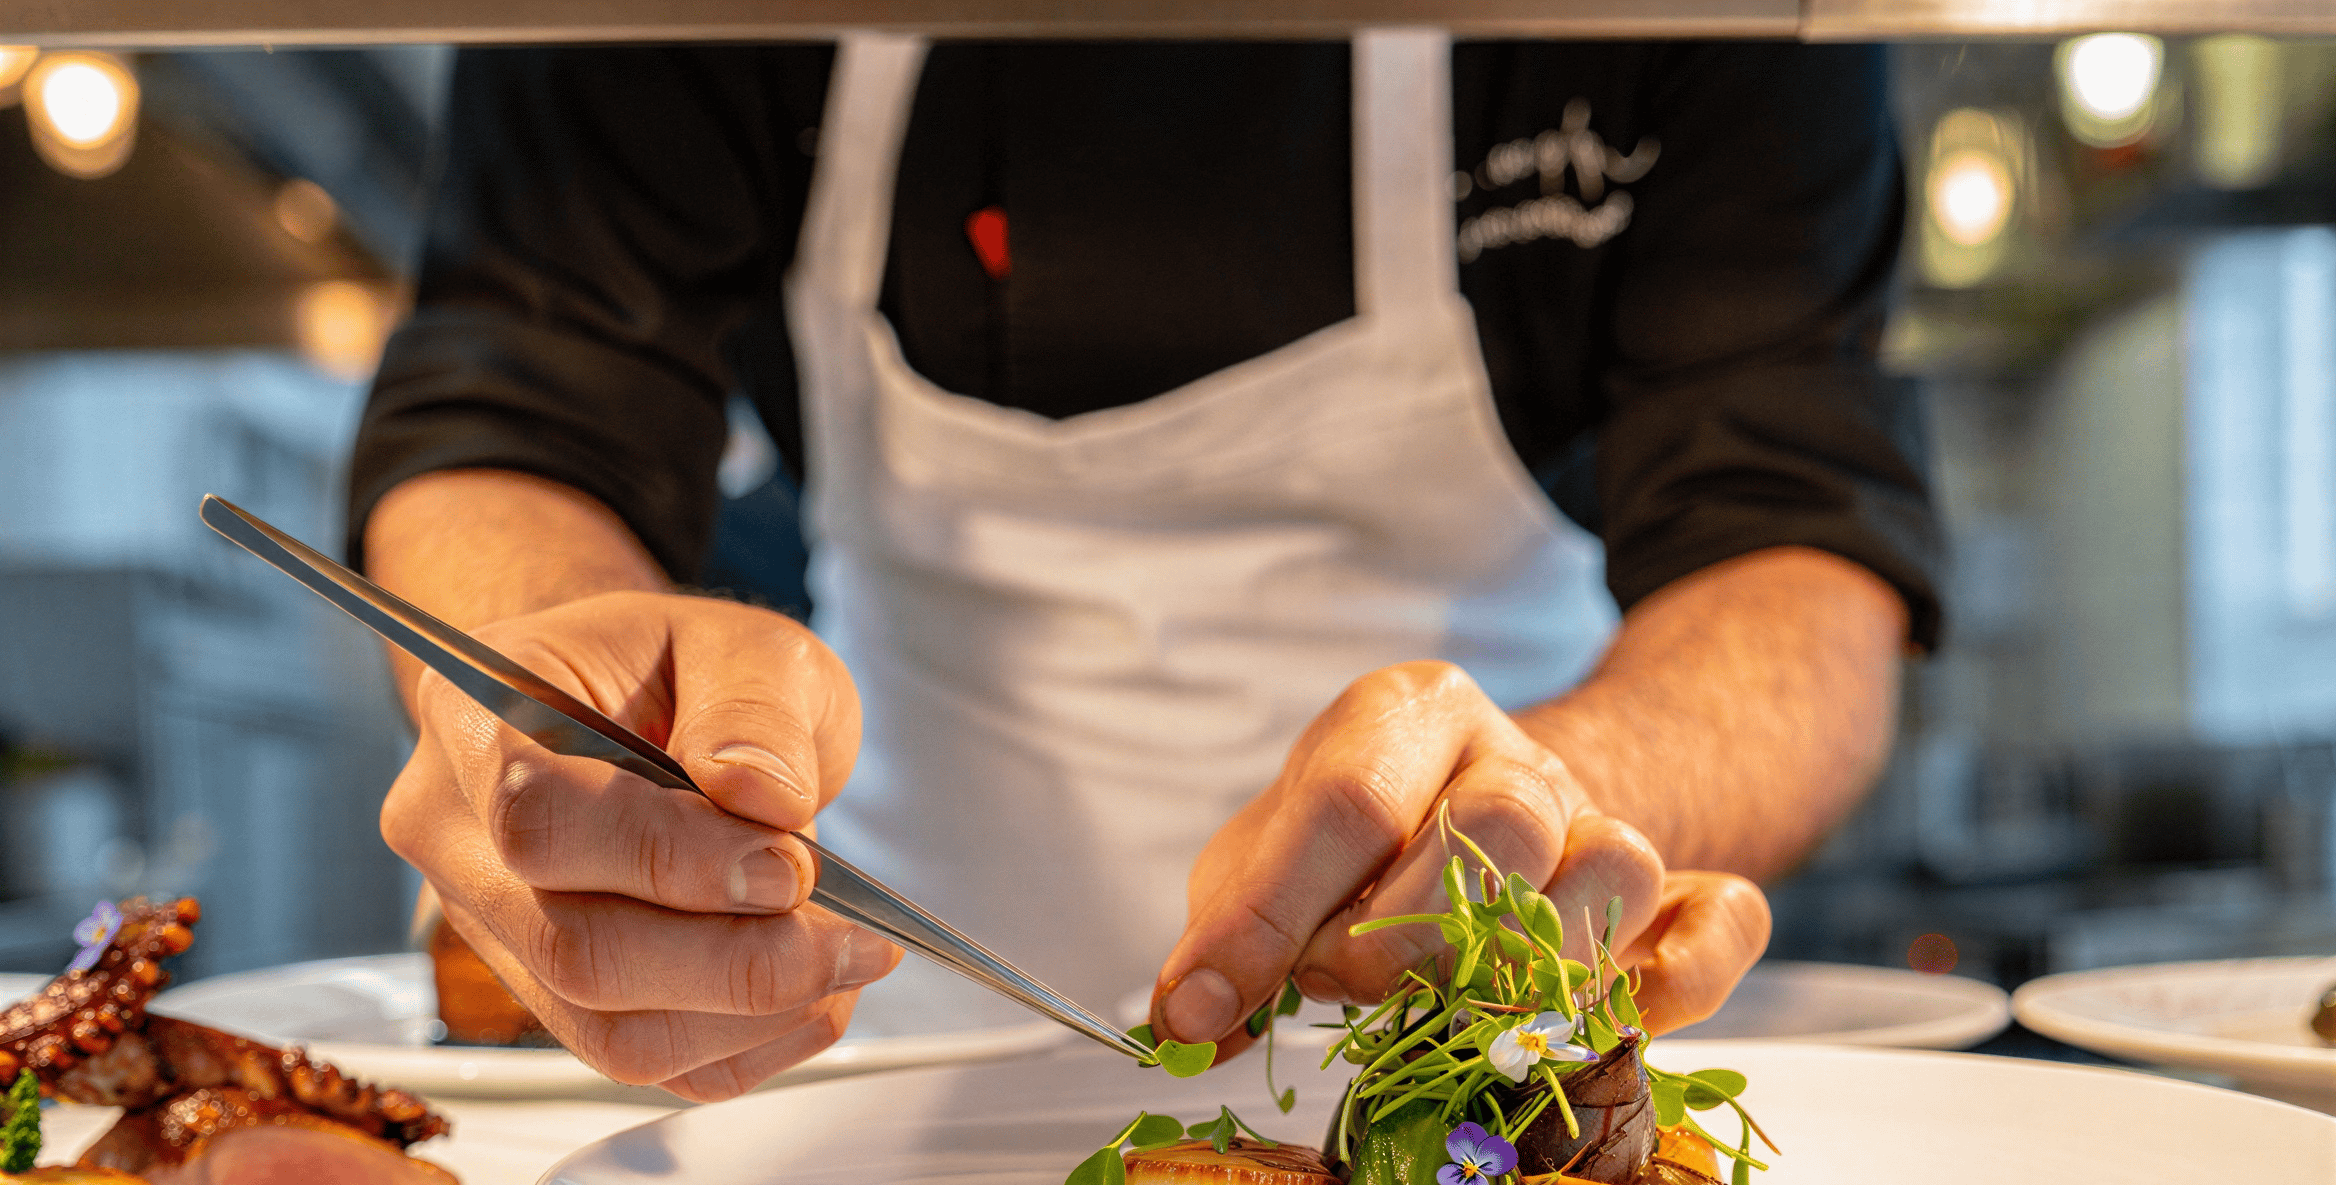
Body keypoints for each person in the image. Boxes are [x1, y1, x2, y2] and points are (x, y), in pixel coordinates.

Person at [350, 35, 1940, 1100]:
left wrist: (1567, 790)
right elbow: (523, 402)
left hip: (1467, 1064)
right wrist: (540, 701)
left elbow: (1790, 555)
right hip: (853, 1069)